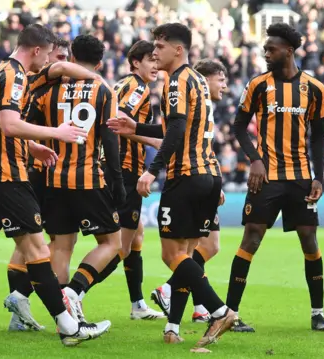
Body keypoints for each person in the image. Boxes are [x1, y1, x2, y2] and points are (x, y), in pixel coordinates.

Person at [0, 25, 111, 349]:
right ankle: (69, 328)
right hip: (7, 179)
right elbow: (9, 124)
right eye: (48, 55)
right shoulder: (14, 75)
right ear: (37, 50)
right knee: (39, 252)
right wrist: (56, 133)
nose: (47, 63)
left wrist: (32, 147)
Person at [108, 23, 235, 351]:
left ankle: (219, 310)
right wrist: (136, 126)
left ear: (177, 50)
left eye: (160, 47)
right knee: (188, 255)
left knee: (171, 254)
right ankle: (173, 326)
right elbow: (175, 124)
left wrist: (152, 170)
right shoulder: (197, 80)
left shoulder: (176, 80)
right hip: (208, 174)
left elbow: (176, 130)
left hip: (186, 176)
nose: (155, 53)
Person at [226, 23, 324, 332]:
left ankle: (317, 314)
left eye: (271, 49)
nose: (266, 53)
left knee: (310, 241)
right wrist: (256, 160)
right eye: (265, 48)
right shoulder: (258, 84)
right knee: (252, 238)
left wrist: (318, 177)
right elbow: (238, 126)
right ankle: (230, 314)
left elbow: (318, 136)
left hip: (300, 177)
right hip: (267, 178)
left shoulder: (315, 88)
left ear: (288, 50)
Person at [26, 34, 126, 324]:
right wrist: (117, 181)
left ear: (70, 54)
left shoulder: (49, 89)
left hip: (53, 178)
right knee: (111, 243)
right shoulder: (103, 89)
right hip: (88, 179)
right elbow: (110, 139)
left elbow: (30, 127)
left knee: (61, 246)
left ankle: (63, 319)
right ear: (99, 62)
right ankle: (75, 291)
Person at [149, 59, 244, 327]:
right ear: (203, 79)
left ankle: (182, 300)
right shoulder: (193, 94)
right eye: (220, 78)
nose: (224, 84)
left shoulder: (194, 96)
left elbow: (178, 133)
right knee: (193, 250)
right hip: (198, 176)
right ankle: (180, 321)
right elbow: (172, 132)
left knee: (194, 250)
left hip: (196, 176)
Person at [3, 36, 73, 332]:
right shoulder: (34, 83)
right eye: (56, 56)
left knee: (28, 241)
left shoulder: (36, 82)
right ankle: (60, 311)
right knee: (55, 242)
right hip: (38, 171)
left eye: (64, 57)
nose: (58, 63)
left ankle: (20, 306)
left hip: (35, 168)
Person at [92, 40, 165, 320]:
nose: (156, 66)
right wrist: (154, 140)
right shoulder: (137, 87)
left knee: (136, 237)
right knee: (120, 246)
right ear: (136, 62)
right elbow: (119, 122)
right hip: (125, 169)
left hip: (116, 168)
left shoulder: (122, 84)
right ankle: (75, 293)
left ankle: (137, 305)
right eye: (151, 61)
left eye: (158, 61)